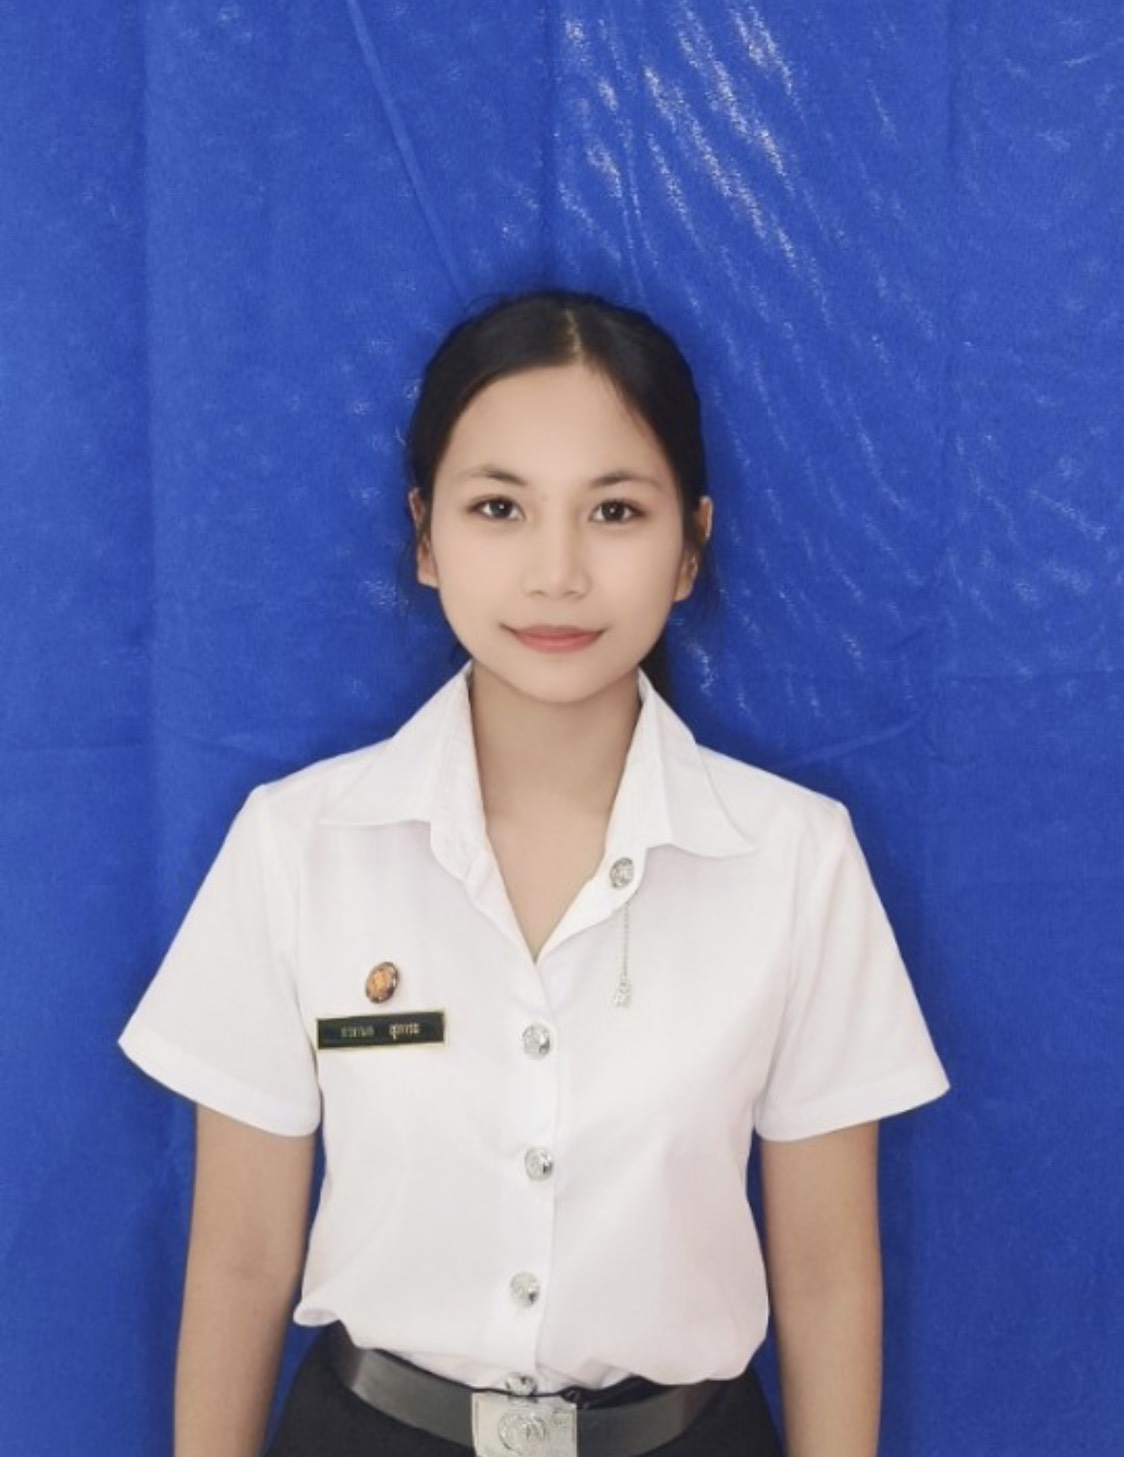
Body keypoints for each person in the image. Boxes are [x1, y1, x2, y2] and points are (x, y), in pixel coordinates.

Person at [120, 289, 949, 1457]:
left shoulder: (793, 858)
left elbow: (824, 1274)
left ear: (688, 545)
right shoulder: (299, 844)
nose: (556, 572)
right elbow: (242, 1258)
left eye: (614, 510)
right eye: (499, 507)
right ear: (425, 535)